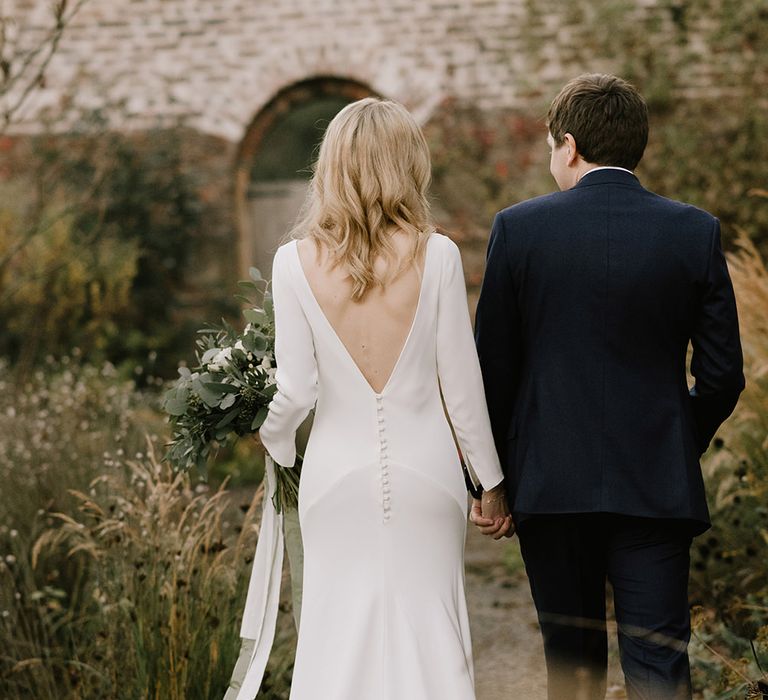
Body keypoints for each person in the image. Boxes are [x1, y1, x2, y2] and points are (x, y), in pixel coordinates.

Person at [471, 73, 745, 699]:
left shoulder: (518, 229)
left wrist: (491, 481)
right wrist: (675, 439)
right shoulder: (693, 231)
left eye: (549, 148)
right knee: (658, 669)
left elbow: (492, 369)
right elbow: (723, 374)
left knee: (572, 669)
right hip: (655, 485)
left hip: (550, 485)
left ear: (568, 145)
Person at [256, 97, 513, 700]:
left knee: (336, 635)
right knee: (431, 630)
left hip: (334, 479)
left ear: (331, 167)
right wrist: (492, 484)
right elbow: (462, 388)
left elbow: (296, 393)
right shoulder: (440, 255)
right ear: (408, 166)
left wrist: (275, 445)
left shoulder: (292, 263)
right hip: (429, 475)